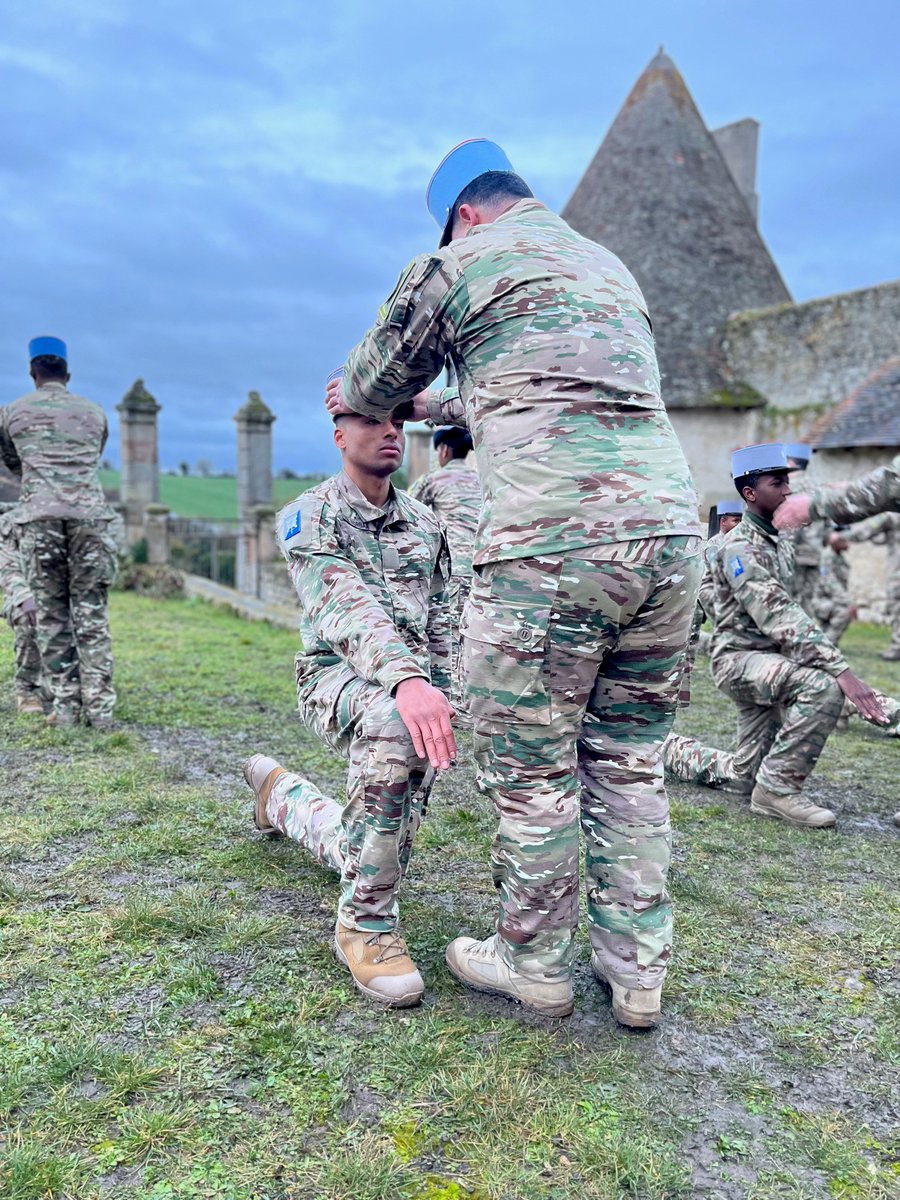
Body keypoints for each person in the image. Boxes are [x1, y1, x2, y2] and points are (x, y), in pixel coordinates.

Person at [327, 139, 702, 1027]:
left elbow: (375, 379)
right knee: (627, 758)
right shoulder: (609, 269)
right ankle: (636, 970)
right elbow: (552, 388)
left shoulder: (455, 263)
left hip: (552, 546)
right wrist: (442, 406)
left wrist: (375, 395)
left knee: (533, 765)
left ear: (462, 214)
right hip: (669, 540)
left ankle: (532, 959)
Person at [243, 386, 453, 1008]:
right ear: (339, 435)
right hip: (334, 678)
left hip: (411, 686)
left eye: (395, 419)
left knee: (372, 837)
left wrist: (448, 695)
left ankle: (280, 797)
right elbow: (342, 606)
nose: (388, 431)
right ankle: (365, 924)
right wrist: (410, 683)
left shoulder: (427, 524)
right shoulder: (308, 515)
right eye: (368, 419)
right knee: (396, 725)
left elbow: (444, 621)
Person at [708, 443, 886, 828]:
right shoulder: (738, 545)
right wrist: (840, 669)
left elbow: (796, 611)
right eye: (778, 482)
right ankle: (777, 791)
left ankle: (667, 751)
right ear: (750, 494)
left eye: (788, 480)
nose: (788, 489)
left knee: (742, 776)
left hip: (775, 660)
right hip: (739, 661)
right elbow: (776, 612)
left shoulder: (781, 539)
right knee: (823, 686)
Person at [0, 337, 117, 727]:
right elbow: (93, 458)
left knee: (50, 616)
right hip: (90, 518)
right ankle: (100, 710)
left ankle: (65, 709)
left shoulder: (12, 412)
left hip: (38, 518)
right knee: (92, 613)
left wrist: (42, 485)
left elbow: (14, 464)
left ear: (33, 372)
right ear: (67, 373)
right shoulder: (94, 413)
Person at [408, 426, 481, 707]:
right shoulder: (483, 481)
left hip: (455, 571)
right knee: (475, 633)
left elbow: (407, 511)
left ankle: (456, 702)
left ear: (444, 450)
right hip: (484, 570)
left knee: (448, 634)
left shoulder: (433, 480)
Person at [0, 506, 44, 713]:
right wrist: (25, 598)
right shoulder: (11, 521)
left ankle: (77, 688)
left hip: (61, 595)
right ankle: (27, 690)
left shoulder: (68, 517)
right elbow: (8, 567)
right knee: (27, 617)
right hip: (24, 595)